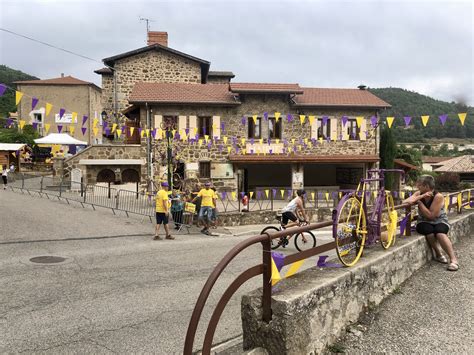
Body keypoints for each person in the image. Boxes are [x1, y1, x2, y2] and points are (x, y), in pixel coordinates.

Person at [403, 175, 458, 271]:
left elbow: (432, 216)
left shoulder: (438, 196)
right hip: (423, 221)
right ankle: (439, 254)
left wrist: (419, 203)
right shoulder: (419, 193)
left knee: (440, 233)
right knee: (429, 232)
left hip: (439, 220)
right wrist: (421, 196)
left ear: (426, 186)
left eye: (419, 185)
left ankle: (453, 260)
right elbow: (405, 202)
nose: (417, 187)